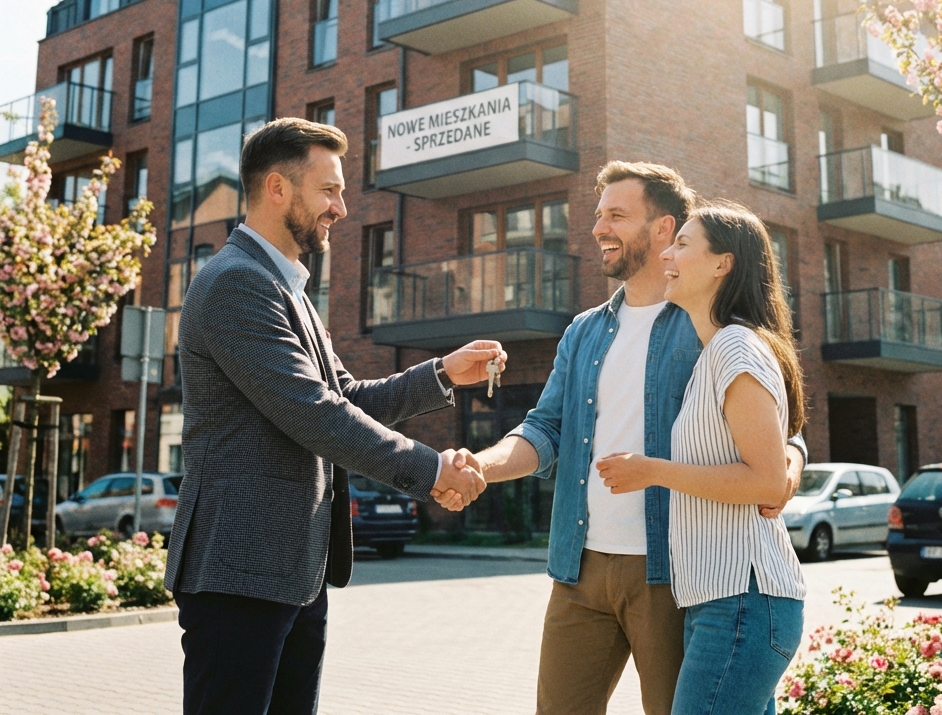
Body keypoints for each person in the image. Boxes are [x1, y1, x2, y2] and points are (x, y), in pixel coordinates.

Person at [433, 163, 806, 715]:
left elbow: (781, 422)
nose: (597, 228)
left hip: (673, 571)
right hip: (579, 567)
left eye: (616, 215)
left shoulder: (709, 323)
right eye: (598, 214)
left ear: (662, 229)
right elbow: (545, 428)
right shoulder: (584, 330)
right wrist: (480, 467)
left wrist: (787, 471)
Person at [164, 117, 504, 715]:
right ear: (277, 188)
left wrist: (443, 373)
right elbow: (315, 414)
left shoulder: (287, 286)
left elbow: (347, 398)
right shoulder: (235, 284)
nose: (341, 208)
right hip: (239, 572)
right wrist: (431, 472)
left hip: (296, 572)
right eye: (328, 191)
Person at [597, 200, 806, 715]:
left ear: (723, 263)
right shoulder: (717, 351)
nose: (667, 253)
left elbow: (765, 481)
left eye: (683, 244)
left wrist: (650, 471)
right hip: (724, 602)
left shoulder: (736, 347)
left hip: (744, 600)